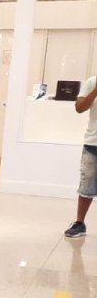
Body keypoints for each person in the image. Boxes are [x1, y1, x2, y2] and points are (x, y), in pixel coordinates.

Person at [63, 74, 96, 238]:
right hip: (93, 143)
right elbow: (79, 108)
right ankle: (79, 223)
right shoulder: (92, 81)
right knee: (86, 183)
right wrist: (95, 91)